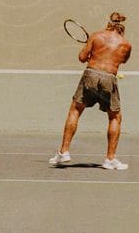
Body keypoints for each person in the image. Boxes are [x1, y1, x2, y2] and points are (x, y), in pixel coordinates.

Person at [50, 11, 130, 170]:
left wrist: (91, 54)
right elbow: (123, 60)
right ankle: (110, 159)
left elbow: (81, 57)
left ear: (108, 23)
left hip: (90, 75)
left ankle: (64, 152)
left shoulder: (96, 36)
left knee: (75, 110)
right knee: (115, 117)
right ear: (122, 26)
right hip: (109, 78)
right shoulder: (126, 44)